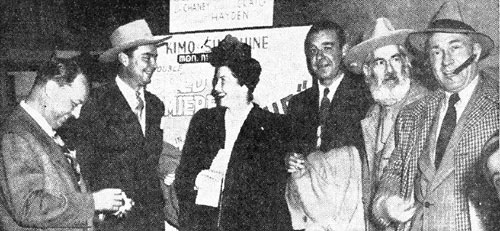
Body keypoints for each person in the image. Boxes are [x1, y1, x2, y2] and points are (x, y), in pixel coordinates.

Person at [371, 1, 498, 230]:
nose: (446, 61)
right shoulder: (412, 114)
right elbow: (394, 173)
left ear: (476, 52)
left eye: (455, 47)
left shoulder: (497, 108)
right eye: (436, 51)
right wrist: (386, 204)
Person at [174, 35, 292, 231]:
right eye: (216, 80)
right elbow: (184, 177)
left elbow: (271, 192)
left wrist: (225, 183)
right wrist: (200, 180)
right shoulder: (204, 121)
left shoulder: (273, 126)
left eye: (223, 81)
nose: (216, 88)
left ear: (244, 84)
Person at [0, 57, 129, 230]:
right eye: (74, 103)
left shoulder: (42, 131)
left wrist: (96, 210)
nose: (76, 114)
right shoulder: (16, 135)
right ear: (52, 89)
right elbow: (27, 206)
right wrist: (93, 202)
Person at [74, 19, 170, 230]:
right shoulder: (98, 103)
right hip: (115, 220)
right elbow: (86, 163)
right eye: (147, 58)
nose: (154, 65)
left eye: (155, 58)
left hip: (152, 220)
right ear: (124, 58)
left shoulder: (155, 105)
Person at [343, 17, 429, 230]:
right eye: (380, 62)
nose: (390, 70)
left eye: (396, 59)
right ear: (368, 71)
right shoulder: (372, 115)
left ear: (406, 63)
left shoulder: (426, 106)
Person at [286, 20, 372, 175]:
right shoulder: (298, 103)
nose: (320, 57)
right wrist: (289, 158)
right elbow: (290, 149)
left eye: (327, 48)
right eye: (313, 51)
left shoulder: (365, 95)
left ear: (344, 50)